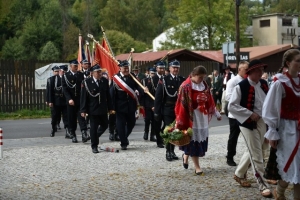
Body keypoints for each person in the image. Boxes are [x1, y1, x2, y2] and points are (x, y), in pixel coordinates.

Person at [228, 59, 272, 198]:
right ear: (250, 72)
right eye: (258, 70)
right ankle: (263, 185)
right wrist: (249, 114)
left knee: (254, 150)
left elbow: (269, 102)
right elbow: (231, 106)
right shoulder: (241, 86)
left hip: (262, 121)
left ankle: (239, 174)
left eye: (262, 70)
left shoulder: (264, 84)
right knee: (257, 155)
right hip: (247, 123)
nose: (261, 73)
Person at [262, 48, 300, 200]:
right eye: (298, 61)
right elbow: (270, 108)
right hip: (288, 130)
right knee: (291, 166)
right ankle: (280, 191)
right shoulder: (280, 83)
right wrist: (272, 131)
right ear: (288, 63)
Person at [175, 66, 221, 175]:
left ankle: (185, 156)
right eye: (200, 77)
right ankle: (197, 167)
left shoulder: (204, 85)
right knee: (193, 141)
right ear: (194, 75)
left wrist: (216, 114)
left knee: (196, 141)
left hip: (202, 117)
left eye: (203, 77)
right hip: (192, 117)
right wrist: (180, 120)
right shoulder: (185, 86)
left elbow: (210, 101)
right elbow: (181, 104)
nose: (202, 79)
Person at [154, 59, 185, 161]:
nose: (175, 69)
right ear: (170, 68)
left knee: (176, 130)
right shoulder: (164, 80)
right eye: (174, 67)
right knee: (169, 130)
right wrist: (157, 112)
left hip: (178, 109)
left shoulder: (181, 80)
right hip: (167, 108)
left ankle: (172, 151)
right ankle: (168, 151)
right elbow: (158, 97)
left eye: (177, 67)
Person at [80, 64, 113, 153]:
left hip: (102, 108)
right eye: (97, 72)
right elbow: (84, 97)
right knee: (93, 128)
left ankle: (93, 136)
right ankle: (94, 145)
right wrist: (83, 110)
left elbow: (108, 96)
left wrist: (110, 108)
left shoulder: (104, 81)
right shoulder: (86, 82)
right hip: (92, 109)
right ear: (92, 73)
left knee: (105, 125)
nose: (99, 73)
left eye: (100, 72)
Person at [111, 60, 142, 150]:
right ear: (120, 68)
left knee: (131, 123)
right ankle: (123, 143)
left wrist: (141, 91)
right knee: (120, 125)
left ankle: (123, 137)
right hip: (120, 105)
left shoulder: (132, 77)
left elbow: (138, 87)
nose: (126, 69)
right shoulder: (116, 79)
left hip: (131, 105)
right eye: (124, 68)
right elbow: (112, 93)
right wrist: (112, 107)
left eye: (127, 68)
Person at [225, 61, 249, 166]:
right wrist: (241, 100)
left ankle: (249, 158)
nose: (248, 72)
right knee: (233, 137)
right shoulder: (233, 81)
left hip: (247, 113)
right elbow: (228, 97)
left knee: (249, 137)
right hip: (235, 115)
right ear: (240, 70)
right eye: (246, 70)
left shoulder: (249, 81)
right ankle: (230, 156)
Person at [62, 59, 88, 143]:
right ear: (70, 66)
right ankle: (73, 134)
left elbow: (83, 87)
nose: (76, 67)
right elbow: (65, 89)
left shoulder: (81, 74)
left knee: (82, 117)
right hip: (71, 101)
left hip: (79, 100)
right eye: (74, 66)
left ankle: (84, 134)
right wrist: (69, 99)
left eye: (77, 66)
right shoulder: (66, 76)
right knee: (72, 118)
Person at [48, 65, 69, 138]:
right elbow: (50, 91)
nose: (63, 72)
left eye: (64, 71)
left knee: (66, 117)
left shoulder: (66, 78)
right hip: (56, 100)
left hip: (64, 100)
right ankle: (53, 129)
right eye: (62, 71)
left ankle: (67, 131)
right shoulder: (53, 79)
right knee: (54, 116)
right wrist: (50, 101)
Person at [141, 67, 158, 142]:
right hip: (147, 103)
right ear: (149, 73)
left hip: (154, 102)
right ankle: (146, 132)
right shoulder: (144, 81)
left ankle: (152, 135)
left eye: (154, 74)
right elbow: (140, 92)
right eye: (152, 73)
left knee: (154, 120)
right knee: (147, 119)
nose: (153, 75)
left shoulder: (158, 81)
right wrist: (143, 90)